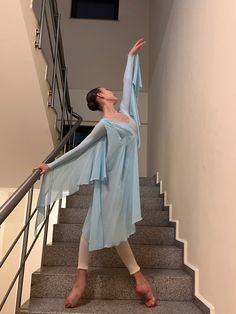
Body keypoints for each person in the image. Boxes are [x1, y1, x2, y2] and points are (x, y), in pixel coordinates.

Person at [34, 38, 156, 308]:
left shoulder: (127, 113)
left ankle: (91, 281)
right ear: (101, 96)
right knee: (104, 227)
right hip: (111, 180)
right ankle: (136, 281)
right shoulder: (103, 125)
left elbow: (128, 84)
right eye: (106, 89)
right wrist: (50, 166)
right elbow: (79, 150)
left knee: (103, 226)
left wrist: (130, 56)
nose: (112, 90)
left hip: (126, 181)